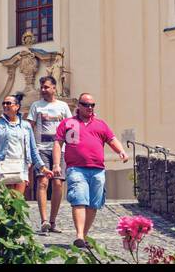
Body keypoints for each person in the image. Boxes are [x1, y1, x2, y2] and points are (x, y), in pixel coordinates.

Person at [52, 94, 128, 249]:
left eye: (92, 105)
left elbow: (111, 139)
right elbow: (58, 144)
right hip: (76, 168)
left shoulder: (101, 124)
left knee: (93, 204)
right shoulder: (68, 123)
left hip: (98, 170)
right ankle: (79, 235)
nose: (90, 108)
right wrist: (56, 164)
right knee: (79, 199)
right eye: (86, 104)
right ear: (78, 106)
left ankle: (84, 236)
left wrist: (121, 151)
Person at [27, 76, 71, 233]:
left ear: (54, 88)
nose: (43, 90)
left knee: (58, 184)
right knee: (43, 182)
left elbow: (70, 128)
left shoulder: (63, 106)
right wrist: (29, 151)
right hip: (41, 149)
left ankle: (53, 221)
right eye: (42, 87)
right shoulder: (36, 106)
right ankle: (44, 220)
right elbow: (29, 128)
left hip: (61, 149)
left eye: (46, 87)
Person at [0, 94, 49, 197]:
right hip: (3, 164)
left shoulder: (26, 126)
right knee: (5, 200)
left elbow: (33, 149)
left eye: (8, 103)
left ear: (17, 106)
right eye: (3, 103)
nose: (5, 105)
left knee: (17, 200)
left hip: (21, 165)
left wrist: (42, 167)